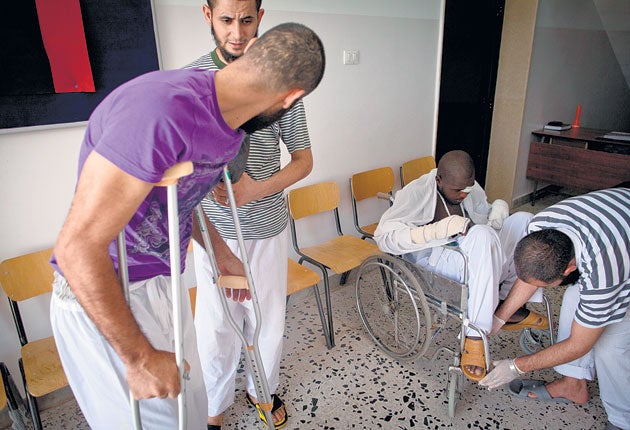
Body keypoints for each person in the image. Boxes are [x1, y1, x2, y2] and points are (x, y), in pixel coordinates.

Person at [49, 22, 325, 430]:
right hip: (103, 296)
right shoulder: (157, 111)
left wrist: (223, 254)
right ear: (292, 98)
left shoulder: (229, 131)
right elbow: (76, 248)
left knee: (191, 413)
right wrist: (139, 358)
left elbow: (179, 202)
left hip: (162, 282)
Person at [184, 1, 314, 429]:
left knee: (267, 323)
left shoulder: (283, 83)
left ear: (261, 15)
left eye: (246, 19)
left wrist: (254, 188)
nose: (236, 33)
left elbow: (302, 161)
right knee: (216, 328)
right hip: (214, 235)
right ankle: (216, 408)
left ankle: (262, 392)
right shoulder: (192, 82)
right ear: (207, 16)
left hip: (267, 230)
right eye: (225, 20)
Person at [374, 150, 548, 381]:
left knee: (525, 220)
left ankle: (506, 302)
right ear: (439, 180)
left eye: (468, 188)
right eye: (457, 191)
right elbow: (383, 237)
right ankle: (475, 336)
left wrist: (497, 210)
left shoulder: (468, 189)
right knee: (483, 235)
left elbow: (483, 215)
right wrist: (435, 230)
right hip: (434, 260)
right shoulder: (416, 193)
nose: (464, 195)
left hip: (470, 250)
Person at [480, 187, 630, 430]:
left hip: (620, 253)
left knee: (611, 346)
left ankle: (623, 420)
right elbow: (529, 278)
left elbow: (579, 345)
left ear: (569, 269)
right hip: (615, 216)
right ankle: (573, 385)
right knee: (573, 302)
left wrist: (516, 366)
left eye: (546, 285)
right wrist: (498, 318)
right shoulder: (540, 225)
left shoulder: (604, 274)